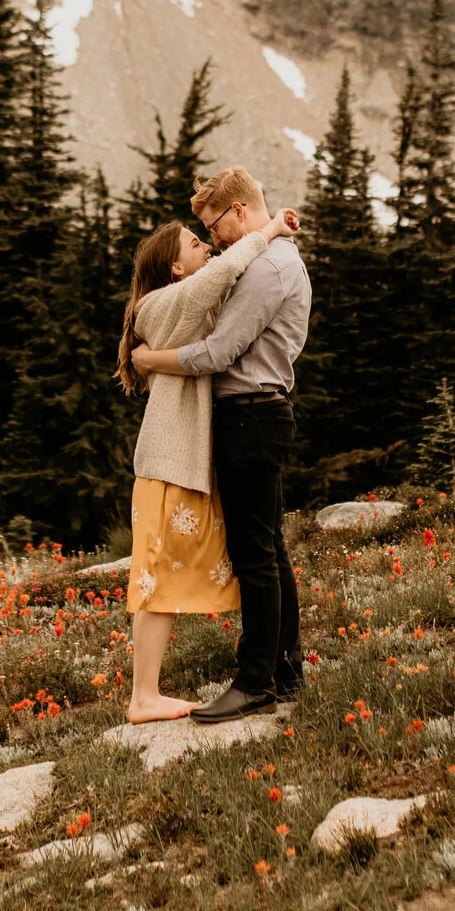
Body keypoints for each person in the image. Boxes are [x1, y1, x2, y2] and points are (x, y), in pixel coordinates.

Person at [128, 166, 311, 723]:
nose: (212, 240)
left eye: (213, 227)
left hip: (249, 416)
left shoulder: (268, 268)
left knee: (257, 553)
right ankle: (284, 671)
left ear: (237, 213)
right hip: (252, 414)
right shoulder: (269, 257)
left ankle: (256, 680)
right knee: (269, 548)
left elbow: (219, 351)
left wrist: (152, 362)